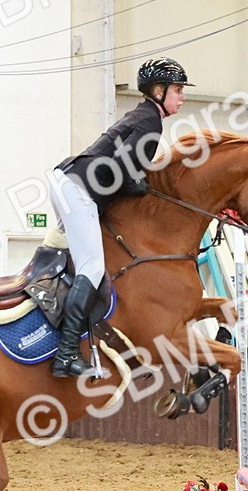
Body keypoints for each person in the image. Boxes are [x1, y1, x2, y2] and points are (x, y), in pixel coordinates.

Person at [48, 57, 192, 378]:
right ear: (158, 90)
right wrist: (142, 188)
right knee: (93, 267)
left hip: (67, 180)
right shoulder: (151, 122)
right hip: (79, 189)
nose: (182, 97)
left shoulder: (140, 116)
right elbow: (124, 172)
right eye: (178, 90)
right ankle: (67, 353)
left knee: (72, 260)